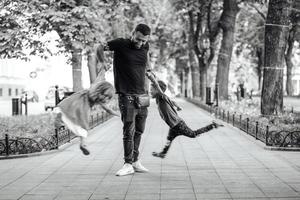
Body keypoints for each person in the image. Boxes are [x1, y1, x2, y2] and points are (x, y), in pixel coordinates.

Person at [95, 24, 152, 176]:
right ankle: (127, 163)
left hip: (143, 96)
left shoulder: (146, 47)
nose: (140, 43)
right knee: (129, 130)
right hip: (126, 96)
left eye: (144, 41)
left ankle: (135, 161)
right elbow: (99, 47)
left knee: (139, 130)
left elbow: (147, 62)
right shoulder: (121, 44)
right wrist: (102, 62)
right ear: (133, 33)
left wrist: (151, 74)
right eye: (138, 39)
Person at [146, 72, 223, 158]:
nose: (150, 91)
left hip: (178, 124)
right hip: (173, 126)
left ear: (158, 89)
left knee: (193, 134)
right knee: (169, 138)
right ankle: (163, 153)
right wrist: (177, 106)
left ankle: (213, 125)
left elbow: (157, 85)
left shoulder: (161, 97)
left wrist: (152, 78)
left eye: (152, 89)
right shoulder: (161, 98)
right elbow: (172, 101)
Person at [54, 81, 119, 156]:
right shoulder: (88, 93)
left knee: (83, 127)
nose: (105, 98)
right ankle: (59, 119)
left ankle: (83, 144)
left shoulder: (98, 99)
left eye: (108, 97)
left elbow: (107, 109)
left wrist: (116, 114)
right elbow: (73, 97)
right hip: (77, 105)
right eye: (104, 95)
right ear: (99, 90)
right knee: (67, 112)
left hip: (82, 110)